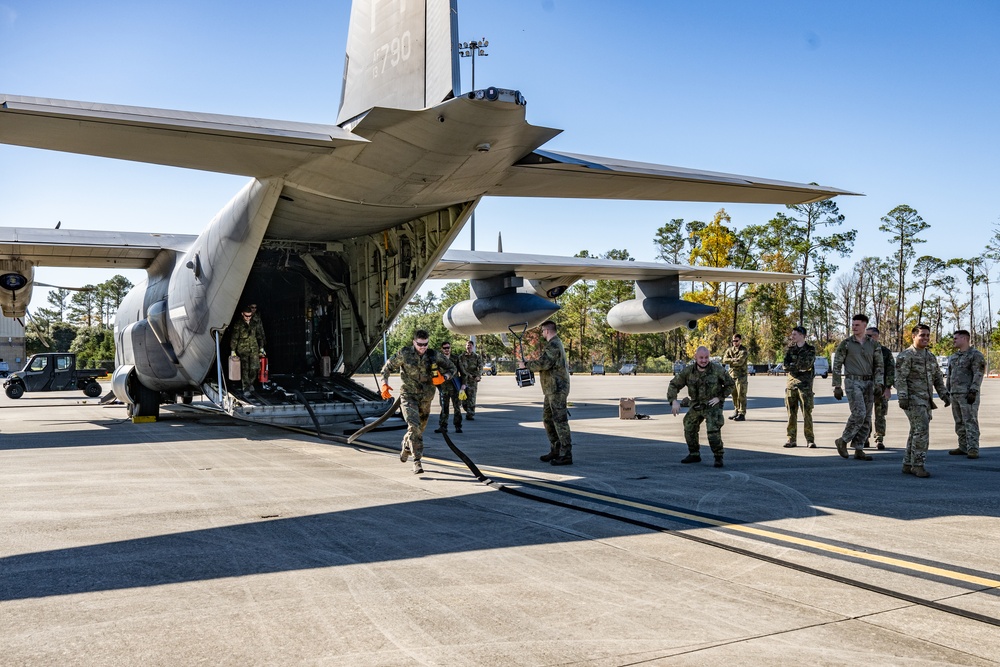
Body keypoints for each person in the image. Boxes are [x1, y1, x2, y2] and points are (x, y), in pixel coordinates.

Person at [380, 329, 457, 474]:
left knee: (418, 429)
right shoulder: (404, 353)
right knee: (414, 426)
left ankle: (406, 446)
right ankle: (417, 461)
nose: (423, 347)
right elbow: (387, 368)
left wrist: (445, 377)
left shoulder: (434, 355)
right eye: (420, 344)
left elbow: (452, 367)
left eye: (425, 344)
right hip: (408, 395)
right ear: (414, 342)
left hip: (426, 397)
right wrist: (384, 383)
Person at [896, 324, 950, 478]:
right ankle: (918, 465)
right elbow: (900, 378)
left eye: (927, 335)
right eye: (922, 335)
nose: (925, 338)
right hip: (912, 400)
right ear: (914, 336)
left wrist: (944, 395)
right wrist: (903, 397)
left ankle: (908, 463)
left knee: (916, 431)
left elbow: (937, 378)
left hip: (925, 400)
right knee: (922, 431)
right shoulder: (906, 355)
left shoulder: (930, 356)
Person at [667, 346, 735, 467]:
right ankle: (694, 454)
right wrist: (673, 401)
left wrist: (720, 397)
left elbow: (731, 384)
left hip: (712, 405)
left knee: (712, 431)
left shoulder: (717, 370)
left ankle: (718, 456)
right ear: (695, 357)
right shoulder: (688, 371)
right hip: (696, 404)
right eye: (701, 358)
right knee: (689, 425)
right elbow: (674, 384)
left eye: (706, 357)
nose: (704, 360)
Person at [518, 320, 573, 466]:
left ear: (547, 331)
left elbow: (545, 363)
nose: (542, 333)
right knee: (548, 420)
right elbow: (545, 361)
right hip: (551, 389)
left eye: (542, 331)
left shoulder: (554, 344)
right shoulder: (553, 345)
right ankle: (556, 449)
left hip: (557, 389)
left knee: (560, 421)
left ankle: (566, 454)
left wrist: (527, 365)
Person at [831, 314, 884, 461]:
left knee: (867, 417)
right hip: (853, 382)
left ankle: (859, 448)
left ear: (864, 326)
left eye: (857, 325)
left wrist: (879, 383)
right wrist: (837, 385)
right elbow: (837, 365)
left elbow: (879, 365)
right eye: (853, 325)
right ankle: (843, 440)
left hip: (869, 382)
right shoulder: (846, 343)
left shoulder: (873, 344)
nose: (854, 327)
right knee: (859, 413)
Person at [947, 329, 986, 459]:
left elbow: (978, 374)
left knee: (970, 421)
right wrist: (948, 391)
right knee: (959, 422)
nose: (954, 341)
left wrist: (973, 390)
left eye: (956, 338)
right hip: (955, 393)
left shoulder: (975, 355)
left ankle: (973, 448)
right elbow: (950, 375)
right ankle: (963, 446)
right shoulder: (954, 357)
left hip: (968, 394)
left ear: (964, 339)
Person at [782, 326, 816, 448]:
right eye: (792, 334)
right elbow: (785, 366)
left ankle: (810, 439)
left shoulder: (810, 350)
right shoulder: (790, 350)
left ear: (802, 335)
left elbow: (807, 365)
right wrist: (796, 367)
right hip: (791, 385)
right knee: (791, 413)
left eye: (795, 334)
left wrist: (793, 366)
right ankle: (791, 439)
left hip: (805, 386)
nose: (792, 337)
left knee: (807, 413)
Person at [865, 326, 895, 450]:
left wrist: (888, 388)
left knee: (880, 415)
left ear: (877, 337)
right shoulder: (863, 350)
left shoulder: (885, 352)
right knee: (865, 414)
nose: (867, 338)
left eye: (870, 336)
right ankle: (865, 437)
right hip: (866, 387)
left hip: (881, 388)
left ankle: (879, 439)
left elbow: (890, 371)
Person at [433, 341, 465, 434]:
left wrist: (463, 384)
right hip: (443, 388)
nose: (446, 349)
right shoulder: (439, 360)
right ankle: (443, 426)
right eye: (444, 348)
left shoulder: (456, 359)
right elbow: (435, 372)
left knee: (457, 408)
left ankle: (458, 426)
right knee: (444, 407)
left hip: (455, 387)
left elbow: (463, 372)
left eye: (448, 347)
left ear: (450, 348)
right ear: (442, 349)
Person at [230, 305, 262, 395]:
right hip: (243, 349)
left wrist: (262, 347)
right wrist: (233, 350)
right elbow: (234, 338)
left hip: (254, 348)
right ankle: (246, 387)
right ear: (242, 314)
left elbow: (259, 335)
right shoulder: (238, 324)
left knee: (255, 368)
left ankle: (251, 382)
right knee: (245, 369)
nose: (248, 318)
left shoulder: (254, 323)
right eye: (246, 316)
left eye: (250, 316)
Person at [722, 333, 749, 421]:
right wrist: (733, 360)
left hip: (741, 376)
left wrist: (731, 361)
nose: (734, 342)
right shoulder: (730, 350)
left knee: (741, 394)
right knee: (734, 394)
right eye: (733, 341)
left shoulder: (743, 351)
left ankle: (742, 413)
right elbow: (724, 360)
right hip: (732, 375)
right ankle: (736, 410)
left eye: (736, 341)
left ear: (740, 341)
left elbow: (740, 362)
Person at [460, 339, 483, 420]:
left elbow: (480, 367)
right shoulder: (461, 357)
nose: (468, 347)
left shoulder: (476, 357)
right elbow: (460, 368)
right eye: (467, 345)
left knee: (472, 397)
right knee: (464, 399)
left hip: (473, 380)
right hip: (463, 380)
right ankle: (467, 409)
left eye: (470, 345)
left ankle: (470, 414)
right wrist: (466, 375)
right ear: (465, 346)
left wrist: (478, 376)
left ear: (473, 347)